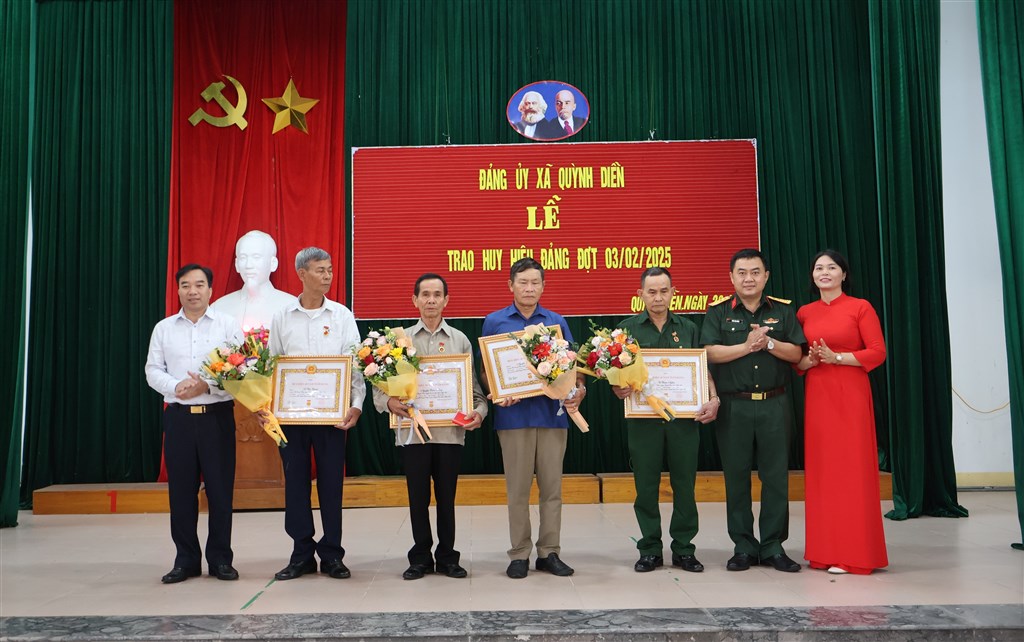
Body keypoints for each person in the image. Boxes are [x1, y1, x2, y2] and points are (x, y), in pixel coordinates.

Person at [372, 274, 488, 580]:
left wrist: (479, 412)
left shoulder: (460, 340)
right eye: (425, 294)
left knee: (447, 498)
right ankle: (420, 558)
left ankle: (448, 557)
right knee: (418, 498)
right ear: (415, 300)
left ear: (446, 300)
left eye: (437, 294)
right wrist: (388, 402)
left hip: (449, 433)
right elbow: (380, 387)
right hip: (413, 433)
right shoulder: (399, 341)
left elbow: (474, 391)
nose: (431, 300)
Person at [701, 248, 805, 573]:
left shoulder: (783, 311)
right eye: (742, 273)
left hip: (775, 404)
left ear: (766, 276)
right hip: (735, 406)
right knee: (737, 478)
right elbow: (709, 353)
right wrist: (746, 346)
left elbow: (797, 353)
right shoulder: (718, 312)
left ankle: (773, 546)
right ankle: (744, 547)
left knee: (775, 478)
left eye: (755, 272)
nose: (749, 278)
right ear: (731, 277)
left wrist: (769, 343)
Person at [481, 257, 586, 578]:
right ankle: (519, 553)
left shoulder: (555, 321)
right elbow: (486, 371)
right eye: (523, 282)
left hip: (552, 416)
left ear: (543, 286)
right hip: (513, 417)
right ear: (510, 285)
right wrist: (498, 390)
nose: (529, 288)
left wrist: (579, 390)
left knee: (552, 490)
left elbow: (573, 367)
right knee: (518, 491)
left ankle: (549, 552)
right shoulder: (495, 322)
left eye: (535, 282)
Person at [611, 267, 720, 573]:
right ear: (640, 294)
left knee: (684, 485)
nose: (658, 297)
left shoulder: (689, 328)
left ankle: (684, 549)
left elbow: (702, 369)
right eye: (651, 292)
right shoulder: (626, 330)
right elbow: (616, 376)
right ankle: (649, 549)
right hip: (643, 421)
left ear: (673, 292)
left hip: (682, 421)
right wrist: (617, 388)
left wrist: (713, 397)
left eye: (663, 291)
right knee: (645, 486)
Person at [267, 247, 365, 581]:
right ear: (301, 273)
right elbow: (272, 365)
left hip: (332, 418)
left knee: (331, 485)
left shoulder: (341, 316)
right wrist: (268, 407)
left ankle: (333, 554)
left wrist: (356, 404)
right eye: (320, 270)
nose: (327, 276)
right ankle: (301, 554)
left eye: (330, 270)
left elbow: (355, 366)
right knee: (295, 483)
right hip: (291, 419)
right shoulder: (282, 316)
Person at [145, 263, 241, 584]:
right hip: (179, 419)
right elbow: (152, 369)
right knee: (181, 493)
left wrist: (207, 386)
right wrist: (177, 387)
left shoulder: (227, 325)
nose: (193, 291)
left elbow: (242, 370)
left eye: (199, 285)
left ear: (210, 290)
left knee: (220, 492)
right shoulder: (164, 328)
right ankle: (185, 561)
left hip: (217, 418)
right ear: (178, 290)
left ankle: (220, 560)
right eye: (186, 285)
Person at [796, 249, 888, 575]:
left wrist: (837, 358)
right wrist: (813, 360)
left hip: (851, 395)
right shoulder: (805, 313)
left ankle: (855, 554)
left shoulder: (860, 307)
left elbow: (877, 352)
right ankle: (824, 552)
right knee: (824, 472)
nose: (824, 272)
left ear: (843, 274)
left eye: (831, 267)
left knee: (852, 470)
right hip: (818, 396)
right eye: (818, 267)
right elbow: (799, 363)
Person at [210, 230, 295, 331]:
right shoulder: (219, 308)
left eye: (256, 257)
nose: (248, 265)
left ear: (273, 263)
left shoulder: (291, 308)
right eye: (243, 257)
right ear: (236, 264)